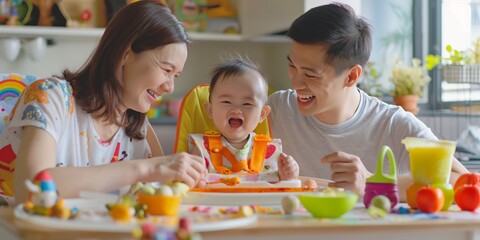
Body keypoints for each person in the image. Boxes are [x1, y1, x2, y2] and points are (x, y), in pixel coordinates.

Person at [0, 1, 206, 204]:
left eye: (175, 76)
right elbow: (32, 191)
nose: (169, 86)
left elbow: (160, 195)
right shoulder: (49, 97)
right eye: (166, 70)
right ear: (125, 53)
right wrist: (145, 169)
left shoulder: (137, 127)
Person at [267, 3, 468, 198]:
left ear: (351, 76)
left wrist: (372, 182)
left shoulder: (393, 124)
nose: (295, 83)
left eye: (310, 75)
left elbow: (464, 181)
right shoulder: (276, 110)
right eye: (292, 66)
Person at [188, 57, 299, 182]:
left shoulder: (270, 150)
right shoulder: (202, 148)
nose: (236, 110)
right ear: (210, 110)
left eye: (247, 104)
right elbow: (190, 182)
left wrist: (287, 175)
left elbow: (281, 187)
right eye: (227, 101)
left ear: (262, 114)